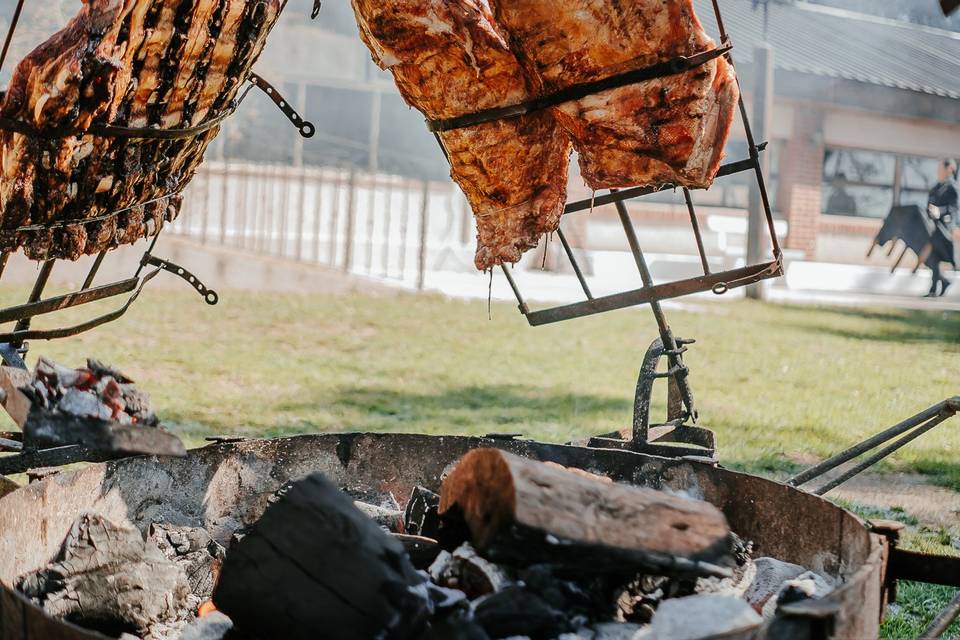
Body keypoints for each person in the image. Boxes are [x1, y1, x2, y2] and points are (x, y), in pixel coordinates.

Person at [924, 159, 958, 297]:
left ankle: (938, 286)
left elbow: (953, 208)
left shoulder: (952, 188)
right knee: (933, 259)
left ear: (950, 169)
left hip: (944, 229)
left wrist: (940, 211)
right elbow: (929, 204)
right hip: (933, 228)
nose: (938, 171)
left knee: (935, 258)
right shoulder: (936, 187)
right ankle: (938, 286)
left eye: (941, 168)